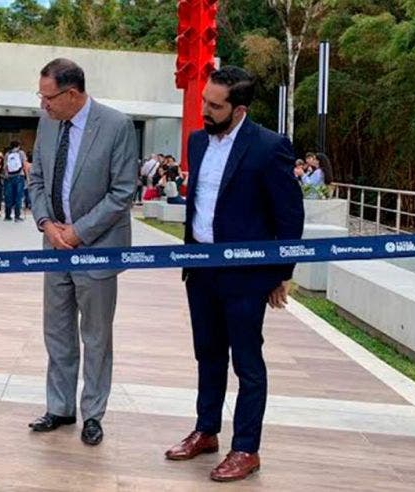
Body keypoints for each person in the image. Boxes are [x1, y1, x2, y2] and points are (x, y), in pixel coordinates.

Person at [164, 67, 304, 482]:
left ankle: (246, 448)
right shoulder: (197, 141)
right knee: (207, 354)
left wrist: (281, 272)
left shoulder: (269, 147)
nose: (204, 110)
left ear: (238, 108)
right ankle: (206, 431)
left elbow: (289, 214)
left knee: (247, 362)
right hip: (201, 269)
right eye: (205, 100)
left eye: (215, 105)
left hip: (246, 275)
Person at [27, 58, 138, 446]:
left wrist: (78, 232)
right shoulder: (46, 123)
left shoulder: (116, 126)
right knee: (56, 331)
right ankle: (59, 407)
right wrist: (46, 224)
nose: (43, 105)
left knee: (95, 336)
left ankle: (93, 413)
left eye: (48, 97)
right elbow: (36, 180)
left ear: (72, 94)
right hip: (53, 247)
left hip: (98, 249)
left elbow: (123, 192)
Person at [3, 141, 28, 221]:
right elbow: (24, 165)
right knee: (18, 196)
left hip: (9, 177)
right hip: (19, 176)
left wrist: (6, 175)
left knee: (9, 196)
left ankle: (7, 215)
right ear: (18, 146)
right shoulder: (21, 153)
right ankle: (17, 216)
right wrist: (27, 176)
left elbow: (5, 167)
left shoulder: (7, 154)